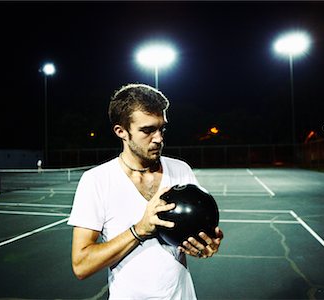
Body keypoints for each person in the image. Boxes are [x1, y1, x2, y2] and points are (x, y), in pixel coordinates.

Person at [68, 83, 224, 299]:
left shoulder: (180, 170)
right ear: (121, 131)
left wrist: (205, 246)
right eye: (147, 130)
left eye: (162, 128)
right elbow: (81, 265)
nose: (159, 138)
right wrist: (139, 229)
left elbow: (195, 237)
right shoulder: (96, 181)